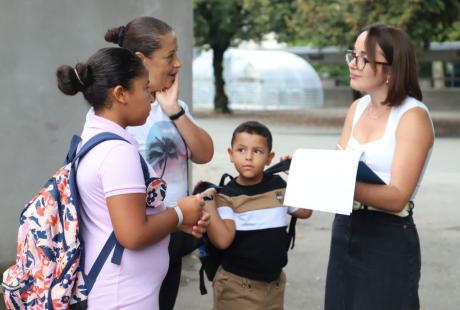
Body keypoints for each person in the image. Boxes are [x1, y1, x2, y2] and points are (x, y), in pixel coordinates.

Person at [56, 47, 208, 309]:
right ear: (120, 94)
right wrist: (181, 213)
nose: (151, 98)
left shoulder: (95, 138)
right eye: (145, 89)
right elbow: (132, 234)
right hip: (122, 297)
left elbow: (119, 219)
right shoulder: (118, 153)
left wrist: (172, 221)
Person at [104, 17, 214, 310]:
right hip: (140, 240)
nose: (178, 63)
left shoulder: (172, 105)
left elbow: (204, 153)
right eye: (169, 56)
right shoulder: (121, 113)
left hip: (176, 234)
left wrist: (174, 110)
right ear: (141, 60)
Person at [325, 23, 434, 310]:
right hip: (345, 227)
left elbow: (398, 196)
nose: (353, 64)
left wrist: (343, 184)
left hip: (387, 235)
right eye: (353, 54)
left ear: (391, 70)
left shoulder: (412, 116)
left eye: (364, 58)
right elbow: (339, 167)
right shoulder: (357, 108)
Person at [201, 121, 312, 310]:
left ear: (270, 158)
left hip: (274, 286)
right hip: (237, 287)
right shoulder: (227, 195)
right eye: (241, 150)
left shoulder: (278, 186)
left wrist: (297, 176)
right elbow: (222, 241)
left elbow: (305, 211)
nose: (249, 157)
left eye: (258, 151)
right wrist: (207, 200)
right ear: (231, 154)